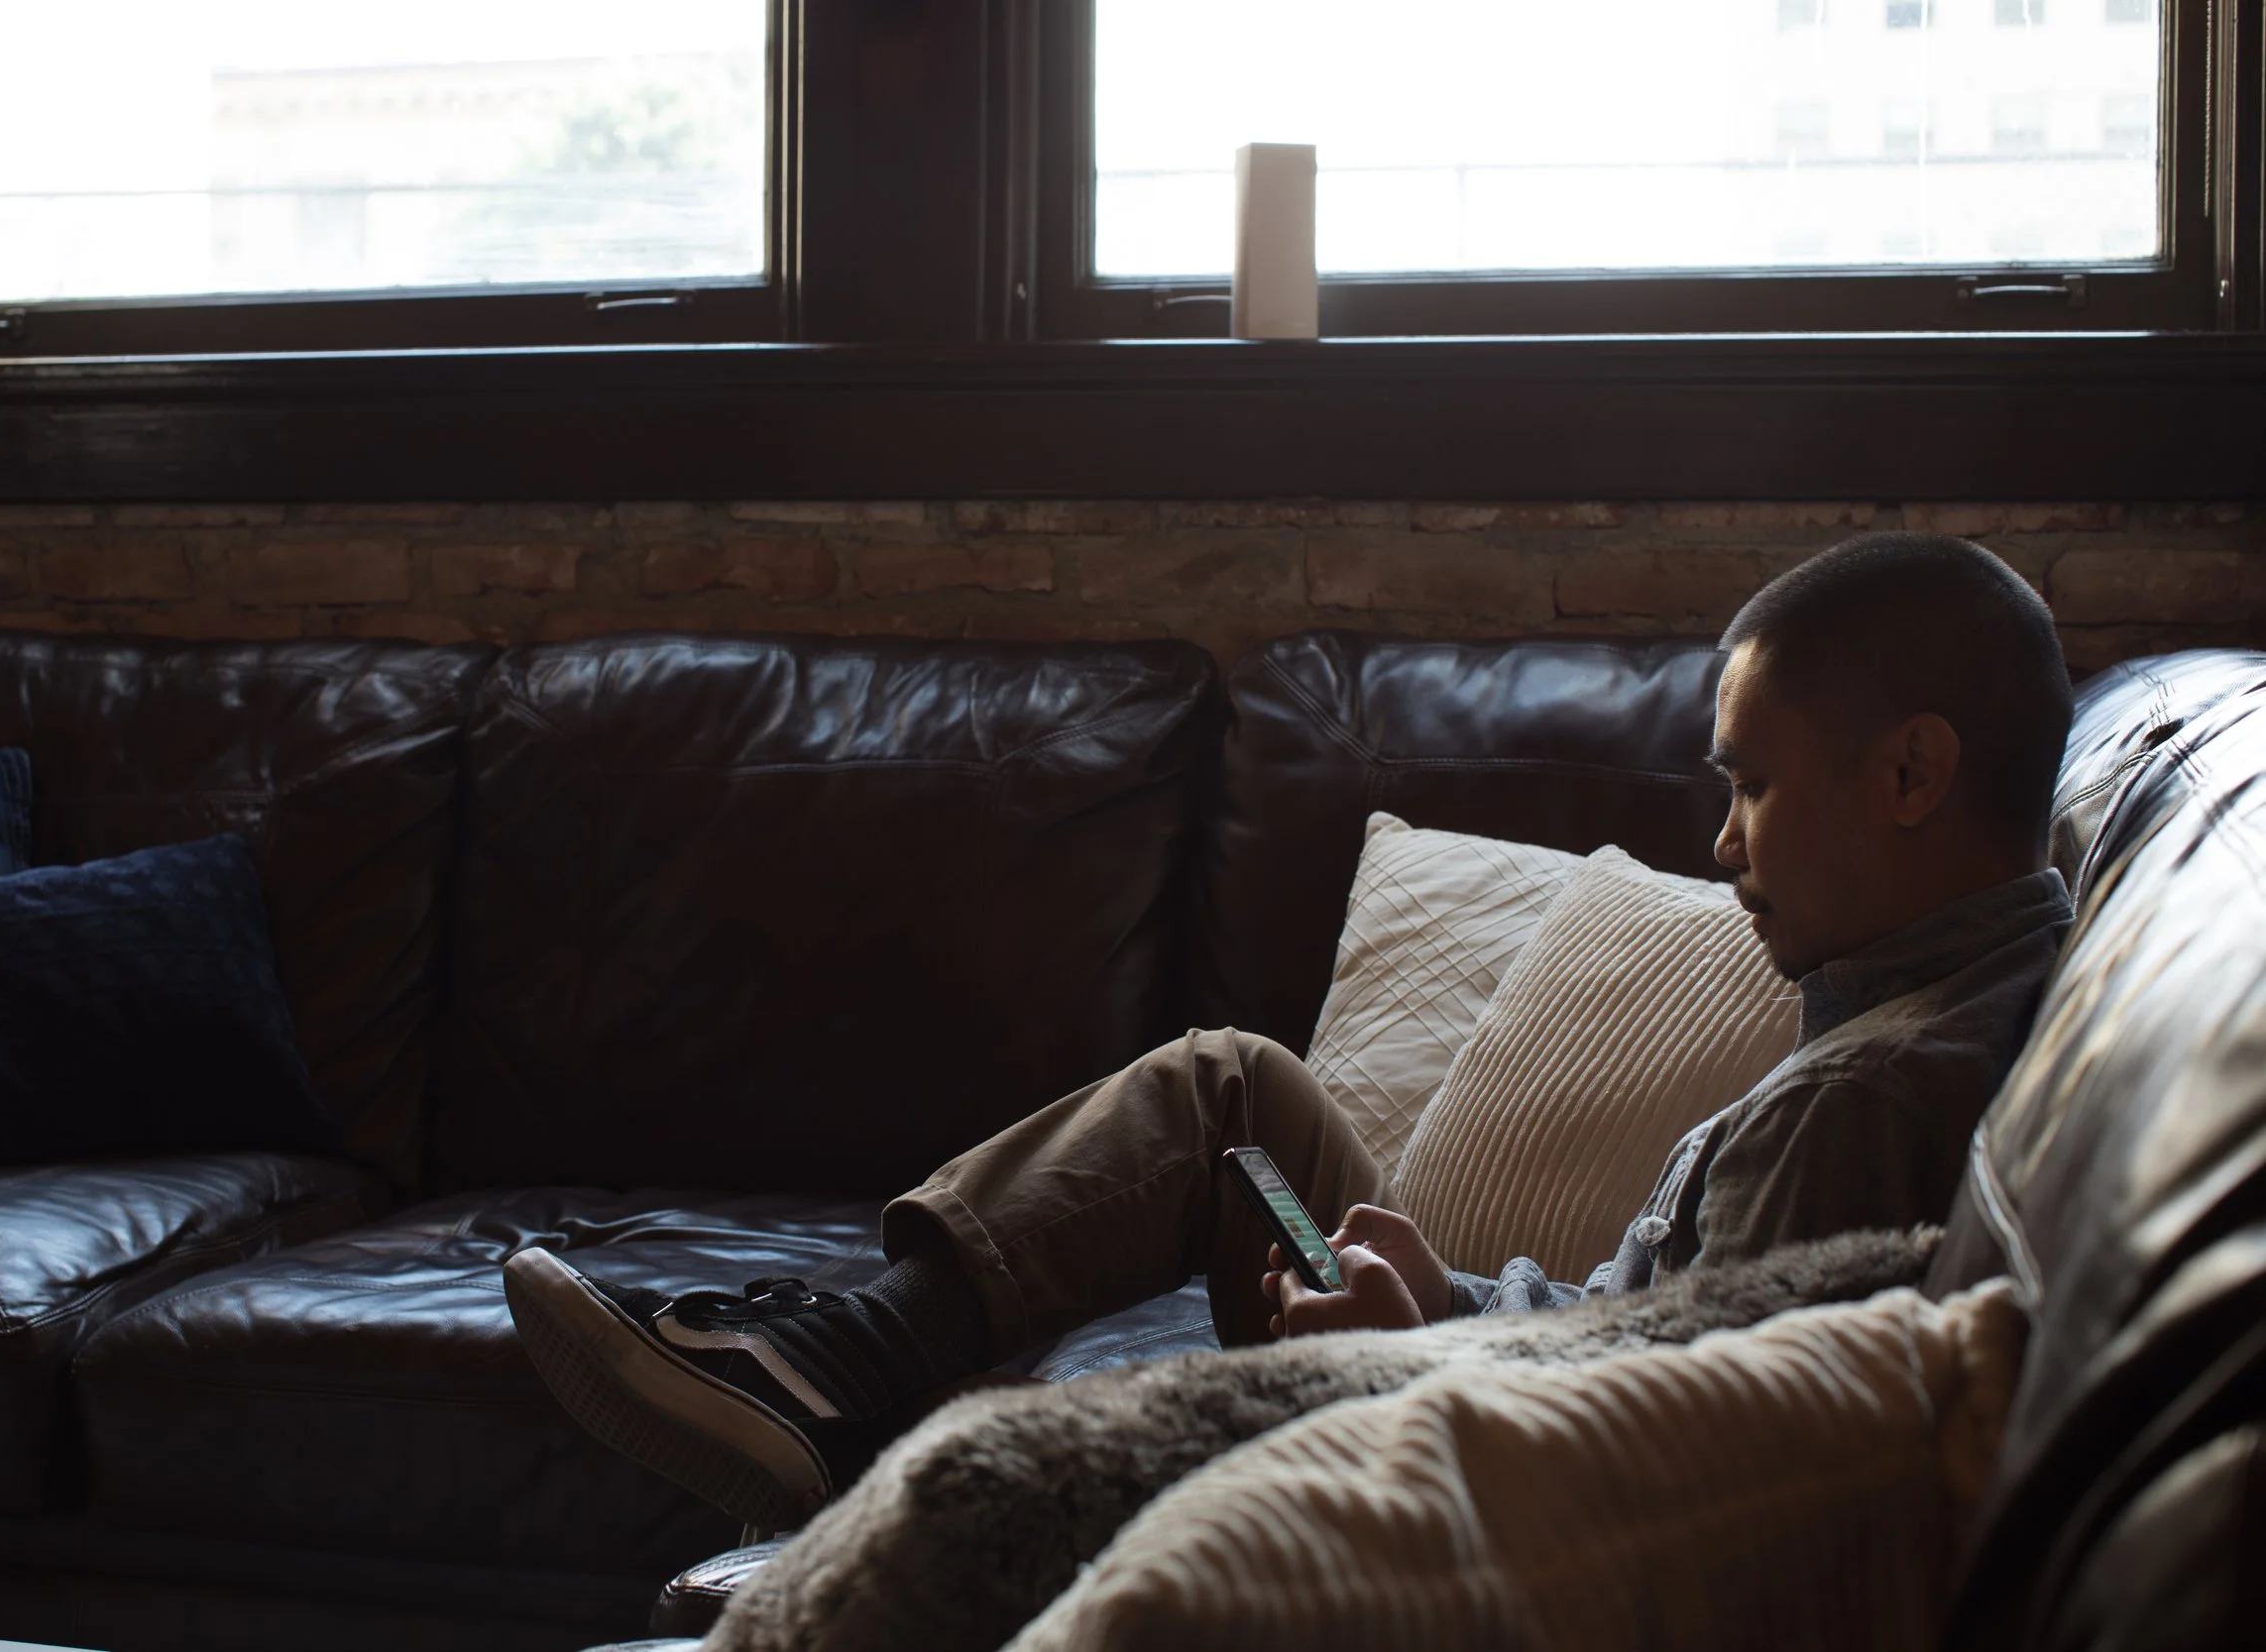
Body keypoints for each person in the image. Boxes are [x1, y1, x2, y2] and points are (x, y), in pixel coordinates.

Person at [501, 533, 2079, 1532]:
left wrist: (1421, 1350)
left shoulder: (1867, 1100)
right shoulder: (1946, 1004)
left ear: (1911, 772)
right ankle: (840, 1360)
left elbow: (1669, 1481)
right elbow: (1655, 1339)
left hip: (1476, 1430)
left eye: (1752, 783)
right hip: (1494, 1342)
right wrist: (1451, 1293)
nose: (1726, 843)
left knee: (1224, 1104)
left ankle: (835, 1403)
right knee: (1234, 1089)